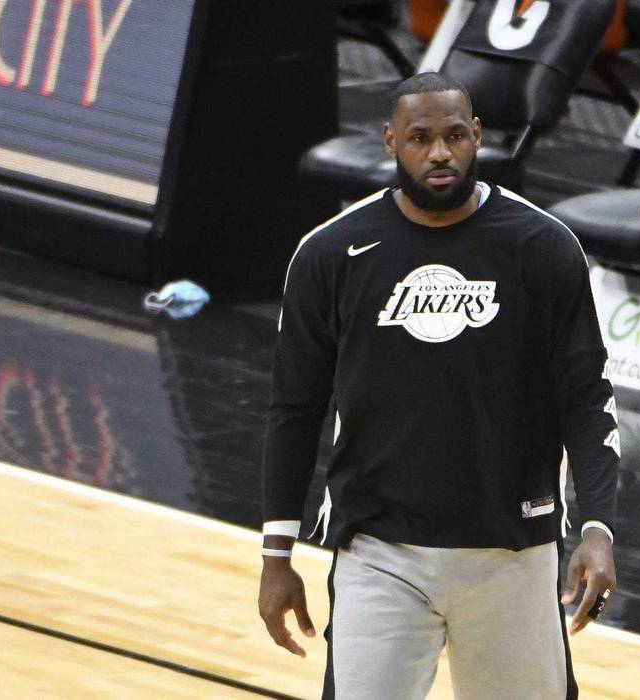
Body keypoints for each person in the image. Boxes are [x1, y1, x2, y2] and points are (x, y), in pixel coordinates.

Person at [258, 71, 619, 699]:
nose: (441, 152)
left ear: (478, 136)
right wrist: (276, 555)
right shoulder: (330, 253)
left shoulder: (543, 246)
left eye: (455, 135)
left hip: (514, 550)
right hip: (380, 551)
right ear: (391, 141)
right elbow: (294, 409)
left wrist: (598, 528)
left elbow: (587, 399)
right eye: (421, 138)